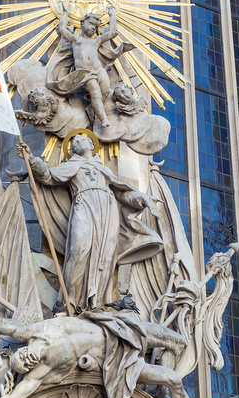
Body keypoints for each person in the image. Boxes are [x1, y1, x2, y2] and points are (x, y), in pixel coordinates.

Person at [0, 306, 198, 398]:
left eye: (20, 357)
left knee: (177, 341)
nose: (24, 360)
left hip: (115, 328)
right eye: (23, 366)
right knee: (173, 379)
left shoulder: (35, 330)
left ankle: (164, 397)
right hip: (116, 362)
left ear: (23, 346)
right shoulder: (44, 369)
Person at [17, 134, 162, 312]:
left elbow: (123, 194)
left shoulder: (104, 169)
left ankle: (98, 304)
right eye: (74, 142)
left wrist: (142, 199)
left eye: (82, 139)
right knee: (79, 249)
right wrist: (31, 159)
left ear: (92, 144)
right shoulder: (71, 166)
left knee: (106, 257)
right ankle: (69, 302)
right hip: (84, 207)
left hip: (108, 213)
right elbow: (48, 176)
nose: (78, 142)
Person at [46, 5, 133, 128]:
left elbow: (112, 32)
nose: (93, 28)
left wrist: (112, 16)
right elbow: (63, 29)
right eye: (91, 24)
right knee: (95, 91)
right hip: (84, 73)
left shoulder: (96, 40)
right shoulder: (75, 40)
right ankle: (103, 119)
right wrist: (65, 13)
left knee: (106, 90)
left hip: (98, 69)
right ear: (83, 23)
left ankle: (92, 108)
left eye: (96, 26)